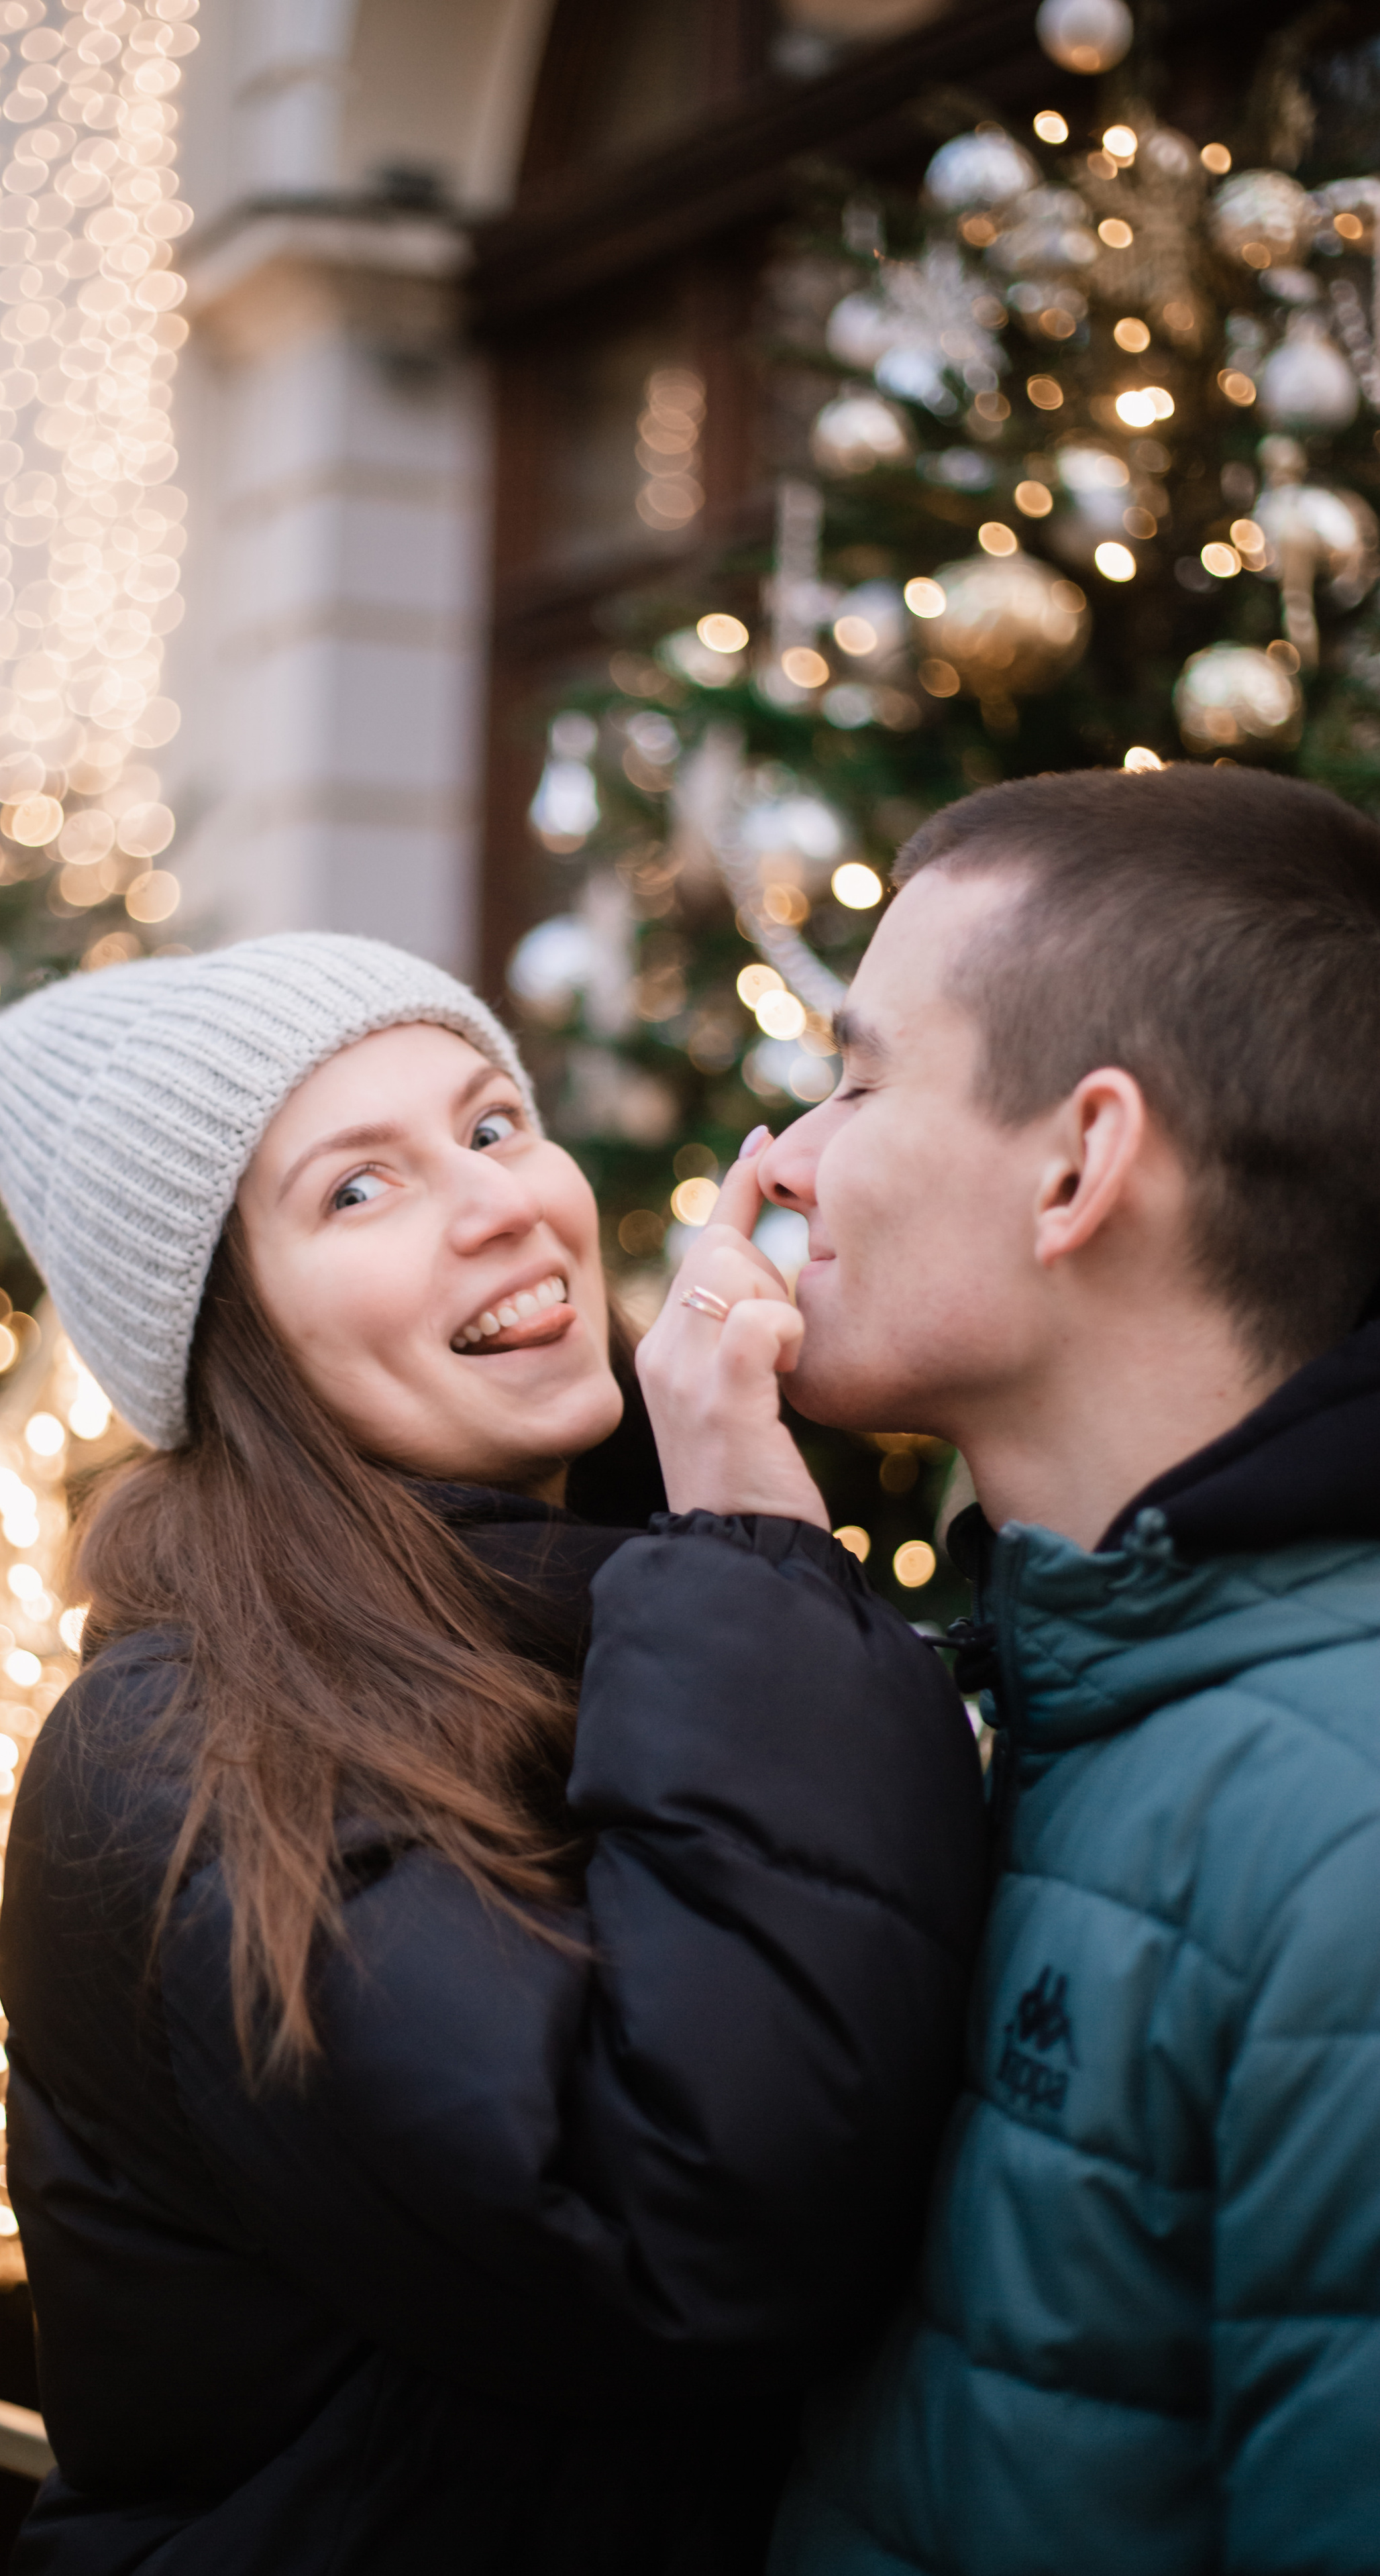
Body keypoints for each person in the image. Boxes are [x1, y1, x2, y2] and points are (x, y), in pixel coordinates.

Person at [0, 932, 986, 2576]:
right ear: (233, 1346)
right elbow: (675, 2235)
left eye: (493, 1124)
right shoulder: (180, 1762)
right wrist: (743, 1553)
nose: (500, 1203)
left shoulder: (615, 1603)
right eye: (355, 1191)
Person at [639, 766, 1380, 2576]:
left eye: (864, 1079)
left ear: (1081, 1161)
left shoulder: (1342, 1837)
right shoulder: (1057, 1690)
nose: (786, 1161)